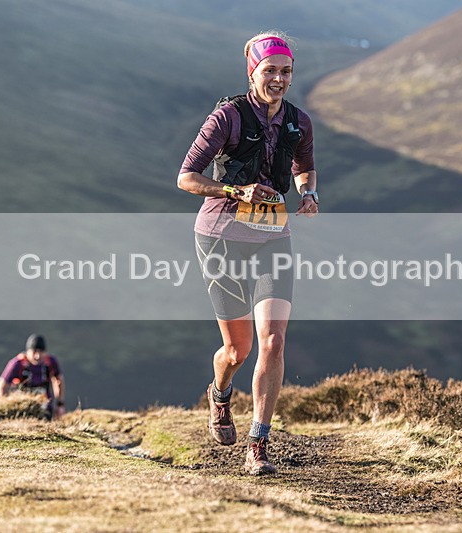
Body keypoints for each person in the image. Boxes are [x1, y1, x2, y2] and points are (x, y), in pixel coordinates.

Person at [177, 31, 318, 475]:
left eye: (286, 71)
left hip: (273, 237)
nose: (278, 79)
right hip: (220, 236)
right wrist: (234, 189)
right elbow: (186, 177)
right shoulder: (228, 117)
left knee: (273, 342)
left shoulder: (299, 121)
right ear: (252, 71)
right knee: (237, 351)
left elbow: (303, 167)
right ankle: (220, 395)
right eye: (270, 70)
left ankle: (258, 442)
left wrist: (308, 194)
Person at [0, 334, 65, 420]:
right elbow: (0, 387)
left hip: (45, 408)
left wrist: (60, 405)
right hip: (21, 409)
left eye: (41, 352)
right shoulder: (17, 364)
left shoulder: (50, 362)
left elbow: (58, 381)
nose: (37, 356)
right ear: (28, 351)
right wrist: (8, 406)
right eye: (34, 352)